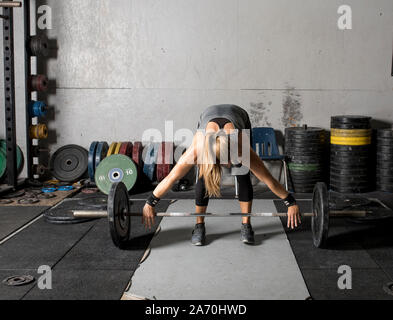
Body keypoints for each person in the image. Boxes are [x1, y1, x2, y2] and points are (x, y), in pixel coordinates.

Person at [142, 104, 301, 245]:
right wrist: (150, 202)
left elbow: (267, 178)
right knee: (204, 176)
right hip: (208, 116)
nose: (228, 166)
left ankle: (246, 225)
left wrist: (290, 202)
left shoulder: (241, 148)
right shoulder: (197, 150)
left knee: (242, 173)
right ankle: (199, 226)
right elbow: (171, 177)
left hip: (239, 117)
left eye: (229, 161)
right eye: (224, 163)